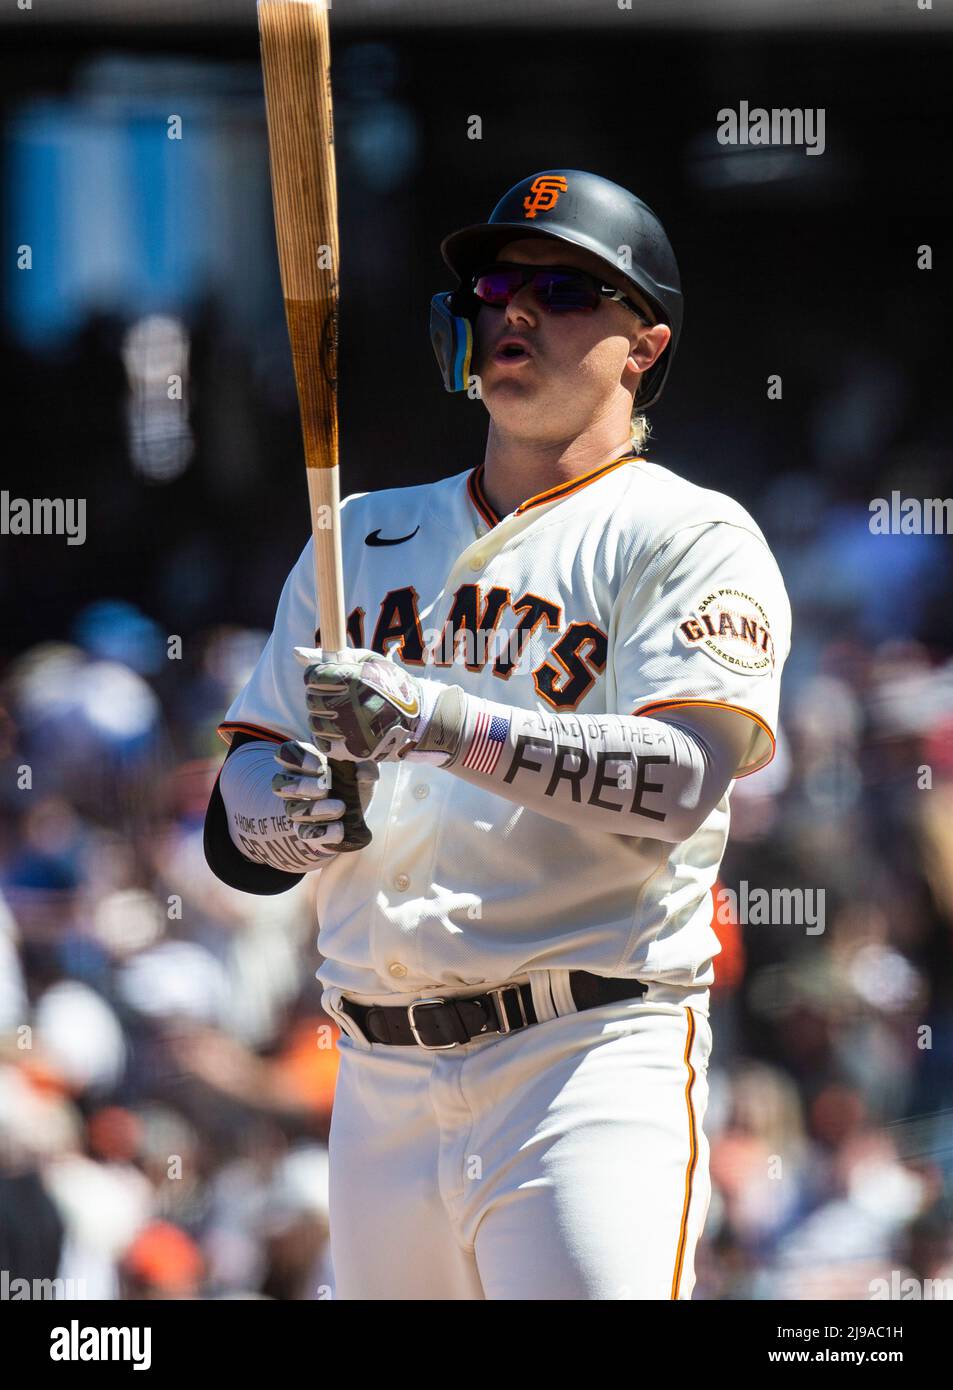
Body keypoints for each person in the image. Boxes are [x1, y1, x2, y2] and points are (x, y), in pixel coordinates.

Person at [204, 169, 791, 1300]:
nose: (514, 309)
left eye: (566, 288)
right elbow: (239, 803)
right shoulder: (358, 532)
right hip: (372, 1074)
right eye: (495, 283)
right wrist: (282, 816)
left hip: (581, 1064)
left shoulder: (686, 534)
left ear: (642, 346)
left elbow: (679, 782)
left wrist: (442, 724)